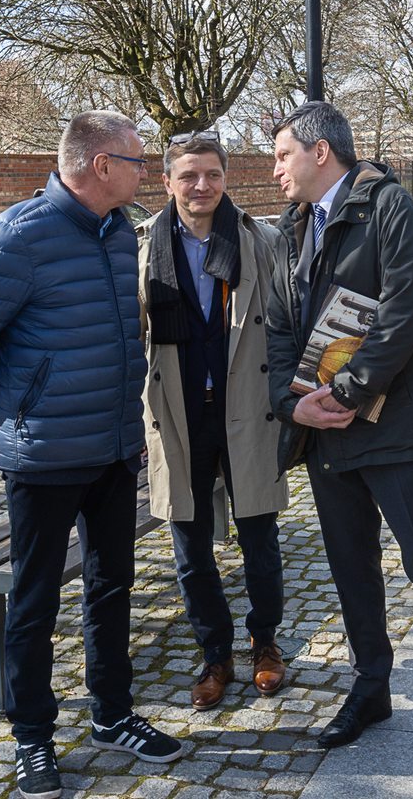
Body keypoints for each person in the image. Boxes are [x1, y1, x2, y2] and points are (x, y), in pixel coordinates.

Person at [0, 111, 184, 799]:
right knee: (36, 601)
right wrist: (0, 418)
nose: (146, 173)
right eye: (137, 161)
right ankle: (33, 738)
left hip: (111, 449)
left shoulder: (111, 234)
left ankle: (112, 714)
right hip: (44, 458)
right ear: (101, 166)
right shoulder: (17, 237)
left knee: (111, 588)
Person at [263, 101, 413, 773]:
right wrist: (291, 406)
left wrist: (351, 392)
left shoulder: (391, 209)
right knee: (351, 572)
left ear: (320, 151)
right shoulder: (288, 230)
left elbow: (407, 311)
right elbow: (277, 333)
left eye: (282, 155)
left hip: (394, 433)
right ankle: (371, 689)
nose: (275, 170)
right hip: (324, 437)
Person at [137, 131, 289, 711]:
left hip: (247, 409)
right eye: (189, 175)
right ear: (168, 181)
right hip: (179, 412)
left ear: (225, 178)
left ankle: (265, 643)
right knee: (189, 543)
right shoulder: (145, 247)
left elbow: (286, 321)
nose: (202, 186)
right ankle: (215, 655)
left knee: (259, 536)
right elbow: (136, 334)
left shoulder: (258, 240)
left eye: (212, 175)